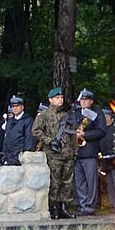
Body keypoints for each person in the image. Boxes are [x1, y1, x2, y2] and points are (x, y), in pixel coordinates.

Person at [32, 88, 76, 220]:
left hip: (67, 153)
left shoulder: (66, 115)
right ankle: (53, 207)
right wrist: (49, 141)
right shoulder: (44, 115)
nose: (60, 99)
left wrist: (74, 150)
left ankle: (64, 207)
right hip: (53, 154)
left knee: (67, 182)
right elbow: (35, 131)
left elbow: (72, 134)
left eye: (61, 97)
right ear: (50, 99)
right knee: (54, 182)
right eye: (57, 97)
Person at [73, 89, 108, 215]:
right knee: (79, 180)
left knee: (91, 180)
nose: (83, 102)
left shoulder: (97, 113)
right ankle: (82, 204)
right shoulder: (75, 113)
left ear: (91, 101)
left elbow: (102, 131)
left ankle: (90, 206)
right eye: (82, 99)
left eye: (86, 99)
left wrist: (85, 134)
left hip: (90, 151)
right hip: (77, 152)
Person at [1, 95, 32, 166]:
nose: (15, 108)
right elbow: (6, 140)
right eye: (13, 106)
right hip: (8, 158)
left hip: (20, 159)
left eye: (17, 106)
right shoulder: (10, 121)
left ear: (22, 107)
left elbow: (29, 141)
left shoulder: (28, 120)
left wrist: (24, 156)